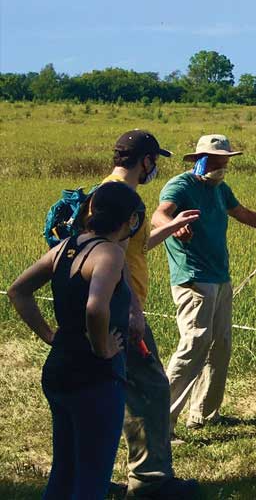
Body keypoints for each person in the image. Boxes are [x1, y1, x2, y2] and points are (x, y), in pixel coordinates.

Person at [7, 183, 192, 499]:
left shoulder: (66, 246)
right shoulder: (110, 253)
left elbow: (18, 291)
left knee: (64, 471)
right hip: (94, 378)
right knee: (92, 478)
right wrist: (101, 347)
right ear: (131, 219)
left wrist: (51, 335)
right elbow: (96, 307)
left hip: (59, 370)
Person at [154, 134, 256, 433]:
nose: (221, 167)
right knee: (194, 343)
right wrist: (173, 227)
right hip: (193, 277)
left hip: (220, 277)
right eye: (215, 161)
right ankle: (158, 421)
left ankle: (204, 415)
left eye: (225, 162)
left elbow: (242, 213)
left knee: (220, 346)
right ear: (199, 160)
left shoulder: (220, 189)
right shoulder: (180, 185)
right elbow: (159, 215)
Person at [101, 130, 200, 498]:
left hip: (115, 305)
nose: (154, 168)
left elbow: (135, 246)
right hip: (122, 308)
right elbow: (115, 257)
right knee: (150, 390)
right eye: (154, 160)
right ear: (145, 160)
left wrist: (171, 227)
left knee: (117, 391)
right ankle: (150, 481)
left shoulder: (108, 192)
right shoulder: (123, 197)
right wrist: (133, 310)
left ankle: (96, 476)